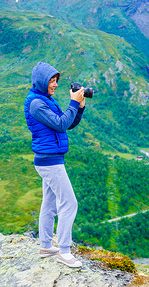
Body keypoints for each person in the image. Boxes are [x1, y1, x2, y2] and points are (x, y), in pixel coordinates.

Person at [24, 62, 86, 268]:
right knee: (69, 203)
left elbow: (65, 124)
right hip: (49, 161)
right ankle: (65, 252)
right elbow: (60, 123)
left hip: (50, 159)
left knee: (50, 204)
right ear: (41, 81)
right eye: (52, 81)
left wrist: (79, 108)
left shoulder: (44, 100)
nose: (55, 84)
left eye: (56, 80)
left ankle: (46, 246)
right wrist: (73, 102)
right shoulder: (36, 103)